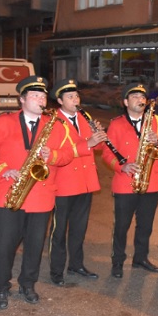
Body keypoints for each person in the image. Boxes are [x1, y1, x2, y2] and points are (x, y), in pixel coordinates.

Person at [0, 76, 74, 309]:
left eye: (43, 96)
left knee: (34, 245)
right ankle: (0, 288)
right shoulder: (2, 122)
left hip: (41, 196)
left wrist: (50, 155)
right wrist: (3, 170)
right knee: (5, 245)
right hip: (10, 193)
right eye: (35, 96)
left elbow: (68, 155)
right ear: (21, 99)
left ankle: (28, 284)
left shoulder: (56, 125)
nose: (41, 100)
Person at [102, 83, 158, 279]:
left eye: (142, 97)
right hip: (125, 182)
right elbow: (107, 152)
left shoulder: (155, 120)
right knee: (122, 226)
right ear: (125, 102)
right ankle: (117, 261)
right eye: (135, 97)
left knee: (146, 225)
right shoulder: (116, 124)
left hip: (151, 182)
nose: (140, 100)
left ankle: (141, 258)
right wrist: (120, 166)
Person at [48, 79, 107, 286]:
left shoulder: (84, 118)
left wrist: (100, 137)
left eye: (77, 96)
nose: (75, 100)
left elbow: (97, 150)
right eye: (70, 97)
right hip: (63, 183)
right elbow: (56, 152)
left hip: (85, 182)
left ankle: (76, 264)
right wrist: (88, 143)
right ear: (59, 100)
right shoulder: (52, 121)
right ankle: (56, 271)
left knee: (79, 228)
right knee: (59, 230)